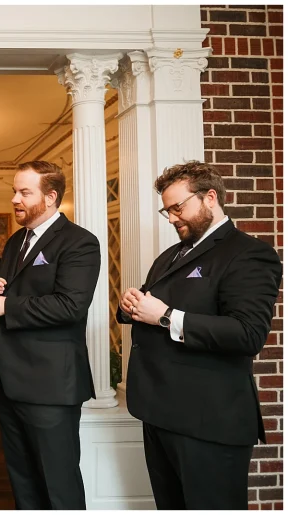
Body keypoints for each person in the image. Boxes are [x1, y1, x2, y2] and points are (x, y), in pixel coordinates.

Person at [117, 161, 282, 509]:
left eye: (178, 207)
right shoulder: (169, 256)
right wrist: (131, 304)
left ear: (210, 197)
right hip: (160, 413)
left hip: (209, 421)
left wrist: (164, 316)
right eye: (167, 210)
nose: (173, 218)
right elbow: (148, 306)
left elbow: (248, 333)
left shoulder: (250, 254)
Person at [0, 160, 100, 510]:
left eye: (24, 192)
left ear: (50, 197)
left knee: (58, 483)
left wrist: (8, 307)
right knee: (23, 479)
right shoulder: (16, 241)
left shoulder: (80, 243)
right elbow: (8, 293)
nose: (14, 199)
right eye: (14, 191)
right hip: (10, 383)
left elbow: (70, 307)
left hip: (51, 386)